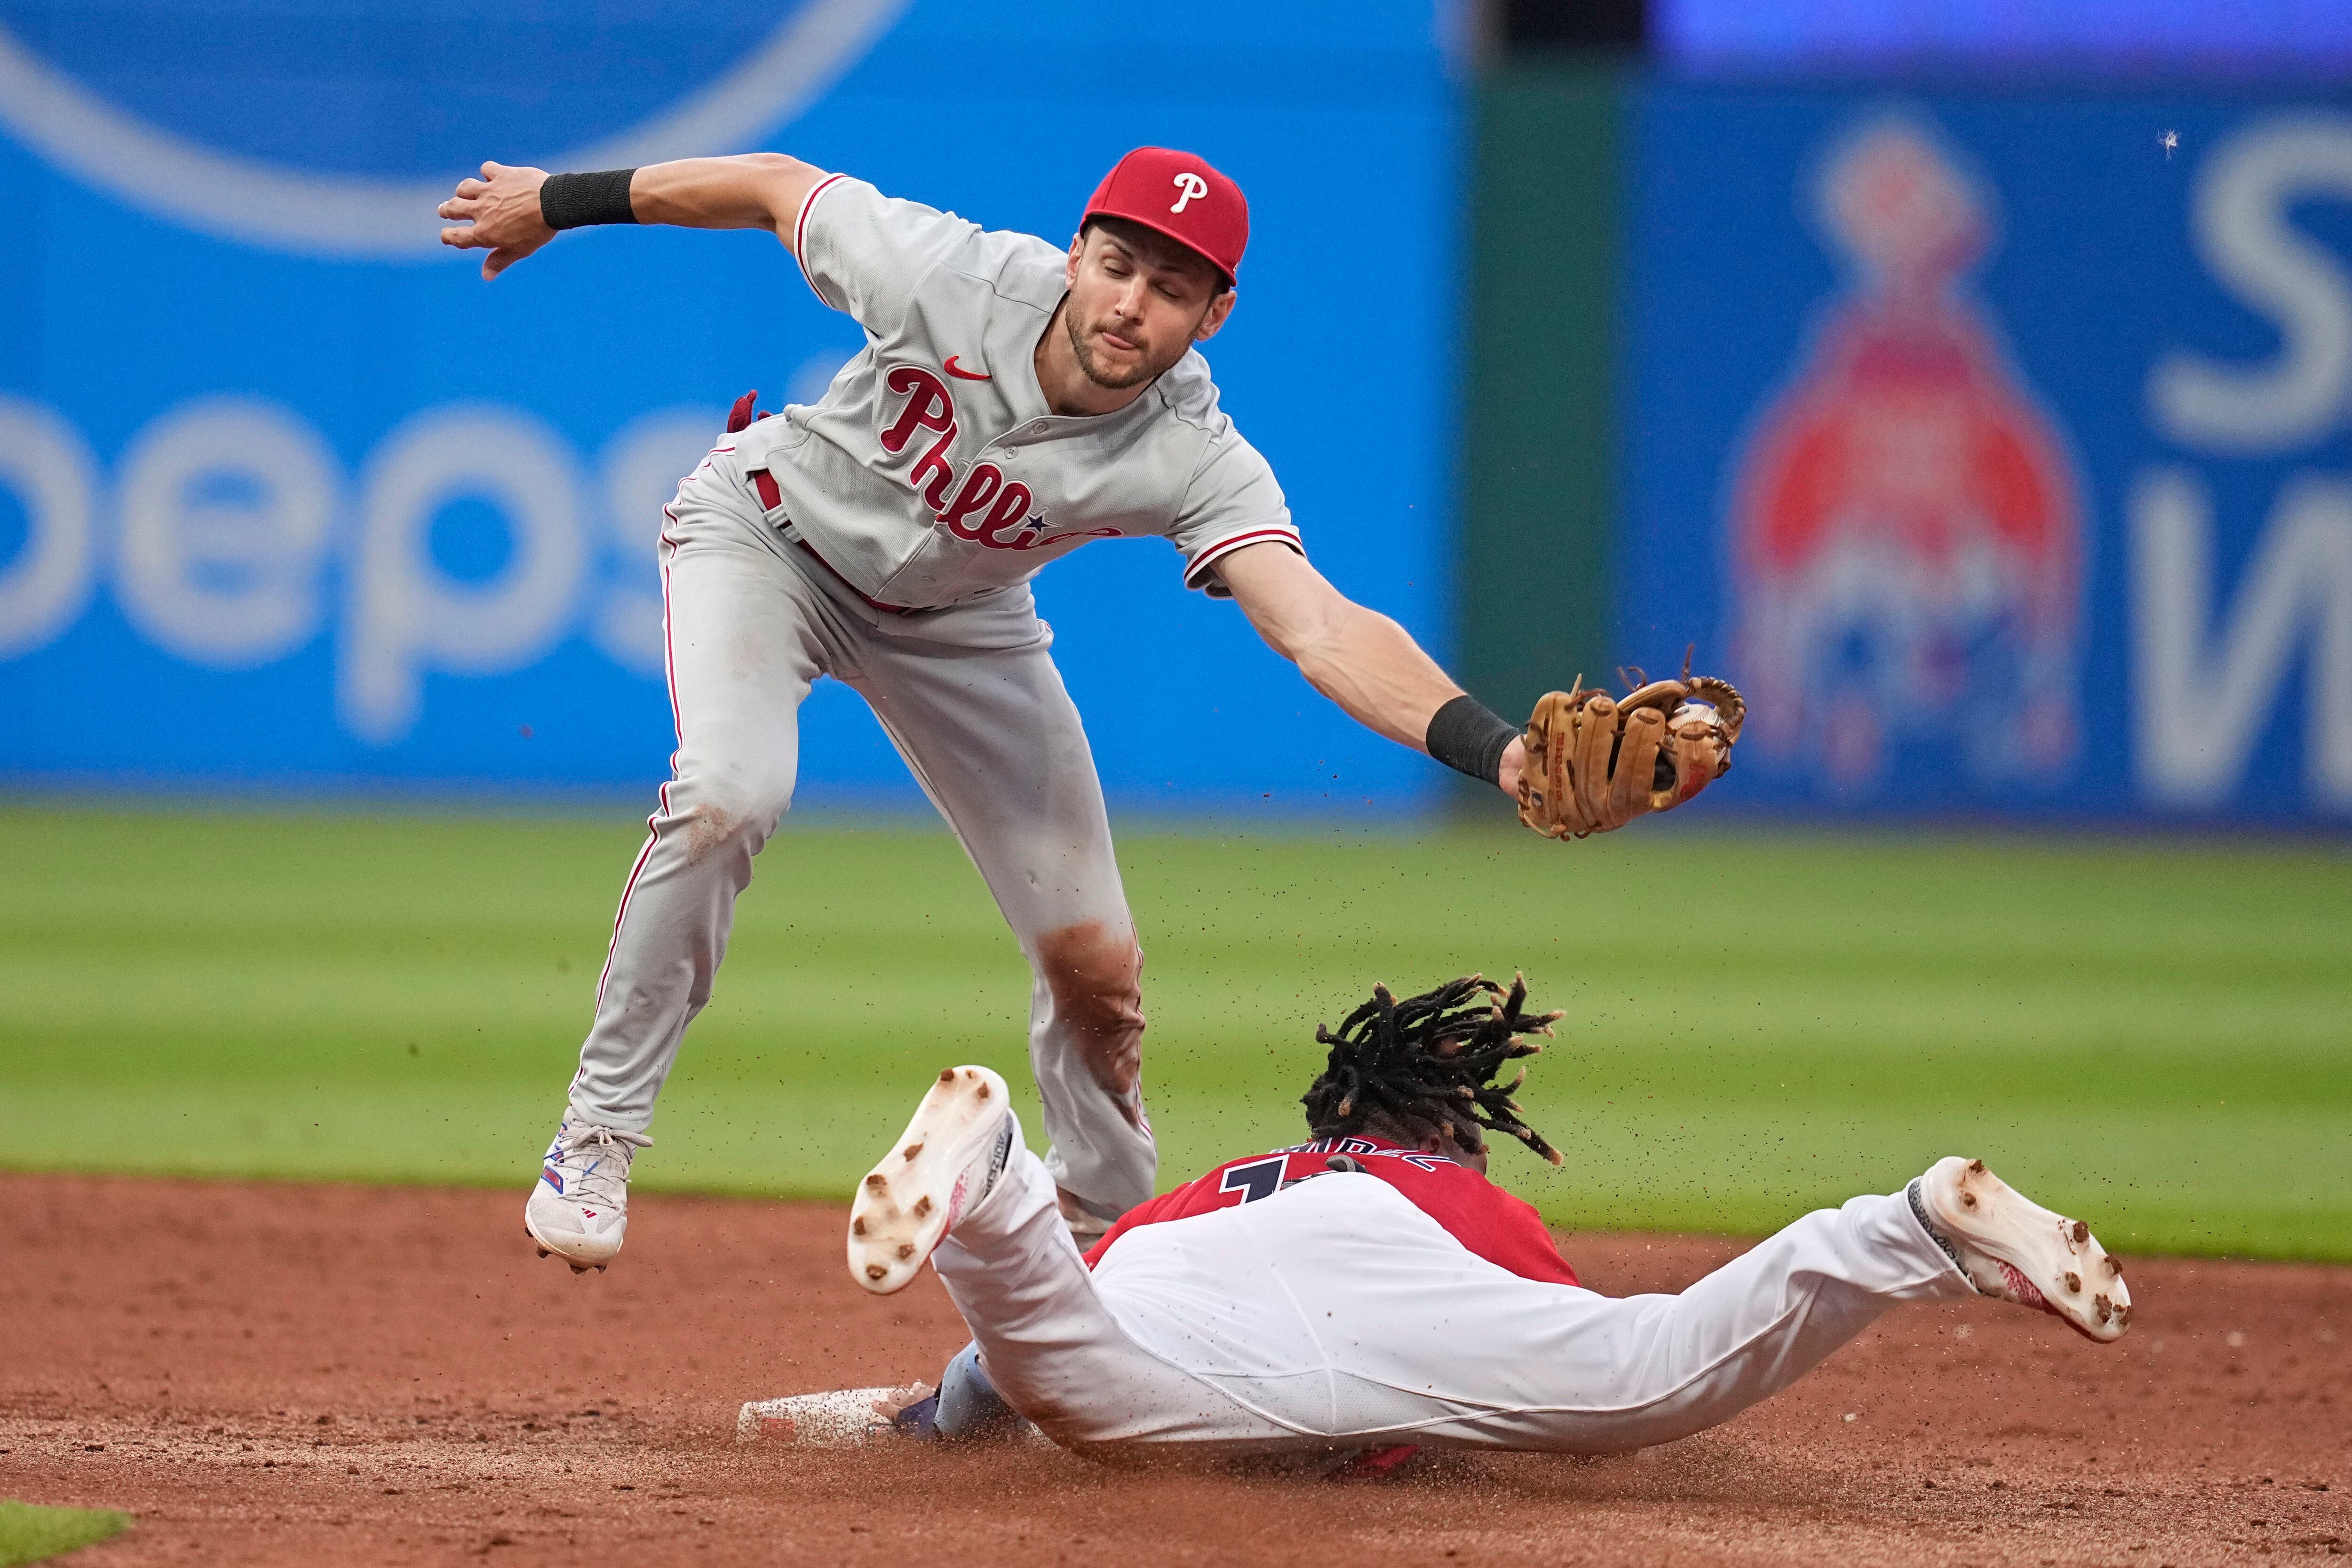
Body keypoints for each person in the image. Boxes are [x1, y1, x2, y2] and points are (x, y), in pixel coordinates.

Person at [437, 149, 1551, 1270]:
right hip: (769, 539)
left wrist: (1501, 753)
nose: (1130, 303)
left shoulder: (1192, 450)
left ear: (1215, 313)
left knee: (1097, 962)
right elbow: (776, 185)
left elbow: (1319, 626)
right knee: (730, 791)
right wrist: (561, 202)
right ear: (1076, 251)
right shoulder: (945, 276)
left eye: (1171, 290)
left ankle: (1105, 1238)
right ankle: (598, 1132)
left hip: (958, 623)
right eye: (1117, 265)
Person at [839, 974, 2131, 1456]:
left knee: (1071, 1367)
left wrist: (932, 1426)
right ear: (1440, 1126)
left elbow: (997, 1369)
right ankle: (1908, 1223)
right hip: (1389, 1293)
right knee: (1653, 1372)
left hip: (1166, 1269)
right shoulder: (1454, 1193)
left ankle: (997, 1174)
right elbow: (1564, 1345)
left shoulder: (1224, 1180)